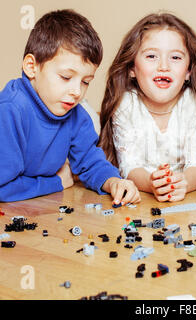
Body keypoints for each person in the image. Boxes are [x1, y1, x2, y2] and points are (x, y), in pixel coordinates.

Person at [0, 9, 140, 205]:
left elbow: (90, 161)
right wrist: (56, 182)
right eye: (66, 77)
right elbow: (3, 187)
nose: (77, 92)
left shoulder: (74, 114)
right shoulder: (9, 110)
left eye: (85, 82)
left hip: (37, 208)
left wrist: (113, 182)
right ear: (32, 67)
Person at [98, 13, 196, 202]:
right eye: (151, 56)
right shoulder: (125, 105)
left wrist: (184, 183)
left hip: (187, 196)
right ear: (132, 68)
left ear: (188, 71)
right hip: (143, 195)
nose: (163, 66)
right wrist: (151, 183)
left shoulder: (193, 103)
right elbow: (129, 166)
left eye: (175, 57)